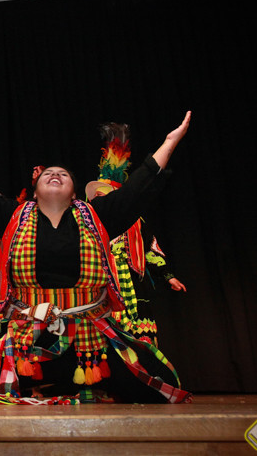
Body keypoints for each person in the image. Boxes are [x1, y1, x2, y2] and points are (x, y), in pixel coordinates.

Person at [0, 112, 193, 404]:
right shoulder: (12, 217)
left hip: (89, 339)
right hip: (28, 339)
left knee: (161, 383)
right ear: (35, 191)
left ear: (74, 193)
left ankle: (79, 382)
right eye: (48, 174)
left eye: (63, 174)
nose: (55, 175)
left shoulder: (98, 217)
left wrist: (170, 142)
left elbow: (139, 187)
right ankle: (53, 383)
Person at [85, 122, 187, 347]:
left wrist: (168, 275)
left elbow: (149, 249)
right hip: (101, 287)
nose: (100, 200)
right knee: (104, 341)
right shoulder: (87, 224)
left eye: (105, 196)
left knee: (139, 338)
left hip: (132, 285)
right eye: (97, 197)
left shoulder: (135, 223)